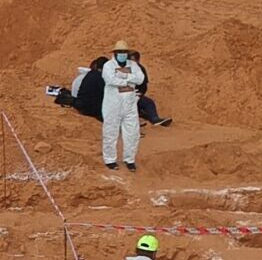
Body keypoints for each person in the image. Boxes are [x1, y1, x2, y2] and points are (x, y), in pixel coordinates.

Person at [49, 57, 171, 127]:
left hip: (85, 106)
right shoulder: (103, 77)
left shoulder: (83, 77)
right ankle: (153, 118)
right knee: (144, 102)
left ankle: (142, 117)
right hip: (97, 108)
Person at [97, 42, 148, 171]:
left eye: (124, 52)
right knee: (110, 132)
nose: (122, 55)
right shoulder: (108, 66)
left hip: (129, 105)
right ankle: (110, 159)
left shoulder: (134, 65)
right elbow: (110, 80)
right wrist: (128, 80)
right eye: (120, 52)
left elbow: (140, 79)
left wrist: (124, 76)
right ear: (115, 53)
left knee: (132, 133)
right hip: (112, 105)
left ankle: (129, 159)